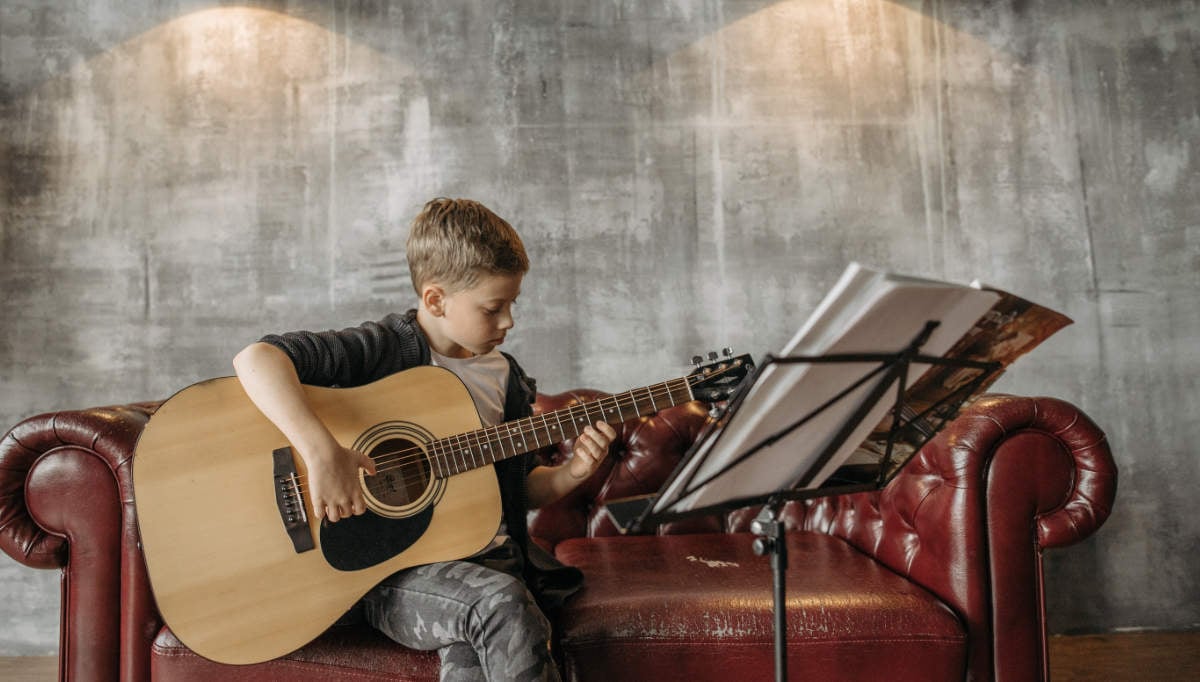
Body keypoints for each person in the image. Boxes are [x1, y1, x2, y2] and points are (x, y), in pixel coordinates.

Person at [232, 197, 617, 682]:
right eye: (493, 308)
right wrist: (321, 453)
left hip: (486, 563)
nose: (508, 322)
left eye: (512, 305)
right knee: (499, 604)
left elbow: (512, 488)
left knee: (479, 645)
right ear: (435, 300)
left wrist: (570, 475)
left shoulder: (506, 378)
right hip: (391, 573)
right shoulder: (383, 349)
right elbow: (257, 359)